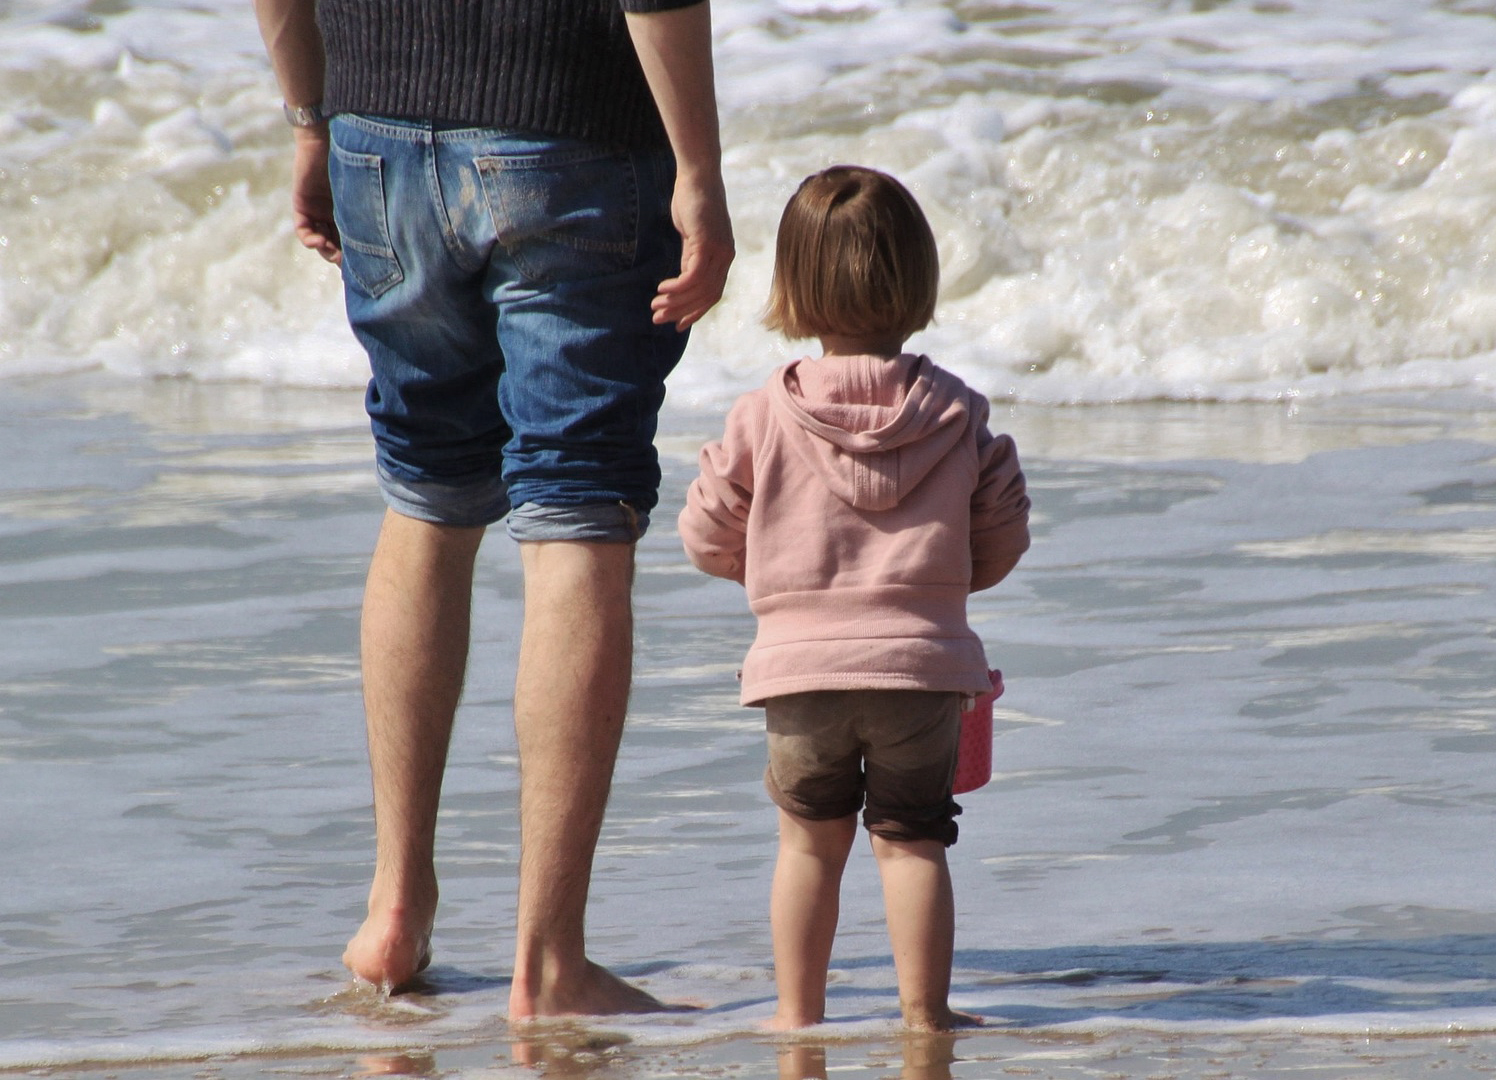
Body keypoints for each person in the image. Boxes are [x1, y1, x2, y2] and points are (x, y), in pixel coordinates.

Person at [251, 0, 734, 1019]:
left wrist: (310, 119)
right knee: (575, 511)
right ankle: (550, 962)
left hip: (374, 127)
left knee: (425, 492)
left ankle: (393, 914)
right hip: (569, 127)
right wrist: (699, 173)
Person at [678, 166, 1029, 1031]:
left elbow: (705, 532)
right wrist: (942, 589)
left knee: (808, 843)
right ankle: (926, 1017)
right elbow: (1001, 537)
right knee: (912, 843)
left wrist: (777, 585)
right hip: (923, 668)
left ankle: (797, 1016)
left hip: (797, 673)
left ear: (791, 286)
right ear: (918, 279)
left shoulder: (764, 413)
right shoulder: (958, 412)